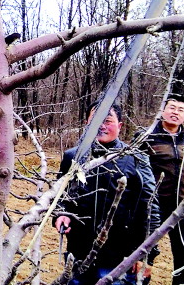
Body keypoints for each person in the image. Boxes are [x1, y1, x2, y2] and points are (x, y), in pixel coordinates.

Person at [54, 101, 160, 284]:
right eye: (95, 119)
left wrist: (147, 255)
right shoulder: (73, 156)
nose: (101, 125)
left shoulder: (136, 159)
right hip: (78, 253)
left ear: (119, 125)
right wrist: (60, 214)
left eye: (107, 120)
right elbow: (59, 196)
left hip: (120, 257)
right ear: (87, 123)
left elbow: (151, 209)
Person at [140, 94, 184, 285]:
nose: (175, 112)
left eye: (180, 110)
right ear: (163, 110)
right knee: (144, 253)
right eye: (171, 108)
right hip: (153, 208)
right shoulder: (147, 137)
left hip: (182, 208)